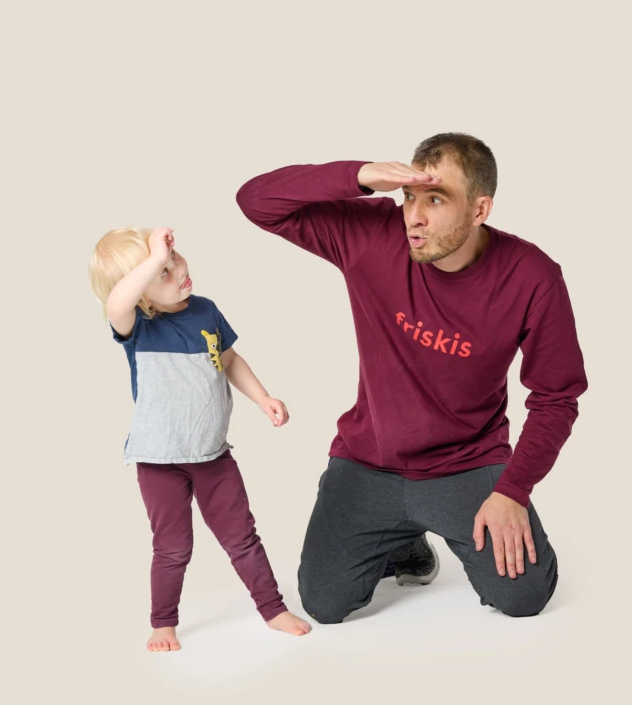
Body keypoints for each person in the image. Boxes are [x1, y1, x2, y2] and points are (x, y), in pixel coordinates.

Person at [236, 133, 588, 623]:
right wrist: (360, 176)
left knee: (523, 598)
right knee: (324, 604)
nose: (414, 216)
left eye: (436, 199)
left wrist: (513, 490)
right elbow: (256, 200)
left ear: (480, 208)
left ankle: (415, 525)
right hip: (369, 462)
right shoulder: (373, 234)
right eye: (409, 196)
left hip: (468, 464)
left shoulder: (533, 276)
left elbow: (556, 396)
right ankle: (402, 541)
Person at [88, 226, 311, 651]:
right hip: (159, 462)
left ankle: (273, 609)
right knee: (172, 548)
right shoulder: (138, 325)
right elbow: (115, 304)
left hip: (212, 456)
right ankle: (163, 623)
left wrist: (262, 397)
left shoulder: (206, 310)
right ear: (140, 293)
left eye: (174, 258)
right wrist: (155, 258)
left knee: (242, 537)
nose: (177, 270)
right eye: (162, 271)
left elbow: (229, 358)